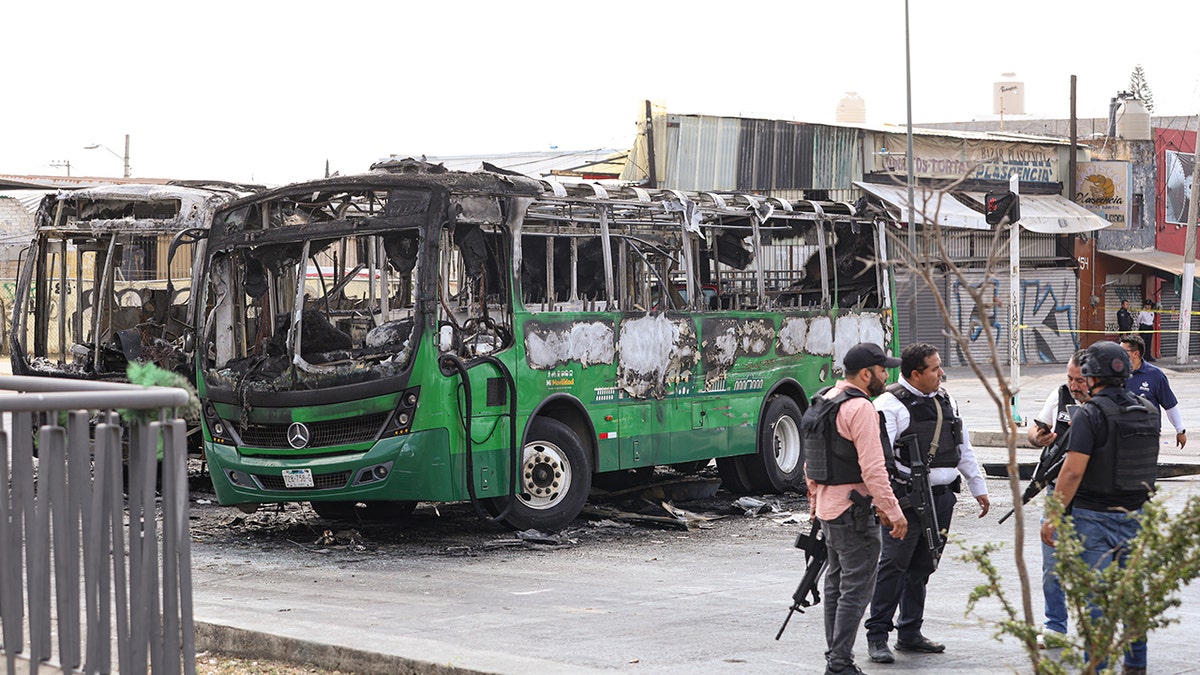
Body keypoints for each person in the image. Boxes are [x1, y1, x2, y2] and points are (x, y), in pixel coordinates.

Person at [864, 343, 990, 664]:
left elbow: (963, 448)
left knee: (923, 566)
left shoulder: (945, 400)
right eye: (935, 369)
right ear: (915, 374)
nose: (941, 374)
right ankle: (878, 635)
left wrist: (979, 488)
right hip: (906, 500)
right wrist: (888, 503)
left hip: (942, 498)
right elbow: (879, 459)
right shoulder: (889, 405)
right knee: (893, 567)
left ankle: (909, 632)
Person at [1040, 341, 1160, 675]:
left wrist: (1053, 516)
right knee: (1132, 595)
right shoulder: (1147, 410)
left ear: (1092, 376)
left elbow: (1073, 470)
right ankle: (1135, 665)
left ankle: (1097, 666)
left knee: (1096, 601)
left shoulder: (1090, 414)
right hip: (1137, 514)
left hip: (1094, 518)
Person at [805, 342, 908, 675]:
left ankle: (835, 657)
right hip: (855, 513)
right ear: (866, 374)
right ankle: (839, 662)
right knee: (855, 589)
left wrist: (814, 504)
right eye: (882, 370)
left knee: (836, 584)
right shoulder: (860, 408)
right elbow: (874, 468)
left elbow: (811, 462)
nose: (886, 375)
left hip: (829, 509)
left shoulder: (826, 399)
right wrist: (892, 511)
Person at [1027, 349, 1090, 645]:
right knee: (1052, 566)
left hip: (1094, 498)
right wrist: (1038, 436)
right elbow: (1035, 429)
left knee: (1094, 568)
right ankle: (1055, 626)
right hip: (1057, 493)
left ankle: (1097, 629)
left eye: (1080, 380)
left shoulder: (1108, 404)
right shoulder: (1061, 395)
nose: (1074, 385)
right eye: (1070, 378)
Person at [1119, 334, 1187, 448]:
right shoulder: (1116, 374)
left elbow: (1169, 404)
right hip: (1121, 434)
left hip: (1147, 435)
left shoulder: (1155, 375)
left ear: (1135, 353)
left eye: (1122, 352)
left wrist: (1180, 430)